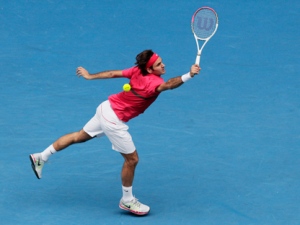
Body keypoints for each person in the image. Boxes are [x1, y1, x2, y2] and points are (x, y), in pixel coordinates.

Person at [29, 49, 200, 216]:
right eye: (158, 64)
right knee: (132, 159)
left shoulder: (136, 71)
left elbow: (112, 74)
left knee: (79, 136)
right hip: (114, 119)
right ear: (149, 69)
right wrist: (189, 75)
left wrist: (90, 76)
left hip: (105, 107)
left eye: (161, 62)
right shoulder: (152, 84)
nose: (163, 65)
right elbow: (169, 85)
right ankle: (127, 199)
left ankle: (41, 156)